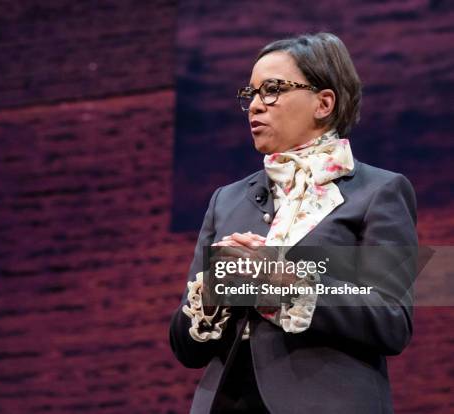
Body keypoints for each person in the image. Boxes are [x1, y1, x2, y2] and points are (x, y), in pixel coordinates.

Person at [169, 33, 418, 413]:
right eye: (250, 94)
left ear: (324, 102)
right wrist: (214, 290)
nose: (255, 106)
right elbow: (186, 348)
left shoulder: (379, 192)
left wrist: (281, 279)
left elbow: (391, 320)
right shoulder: (227, 200)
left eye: (271, 90)